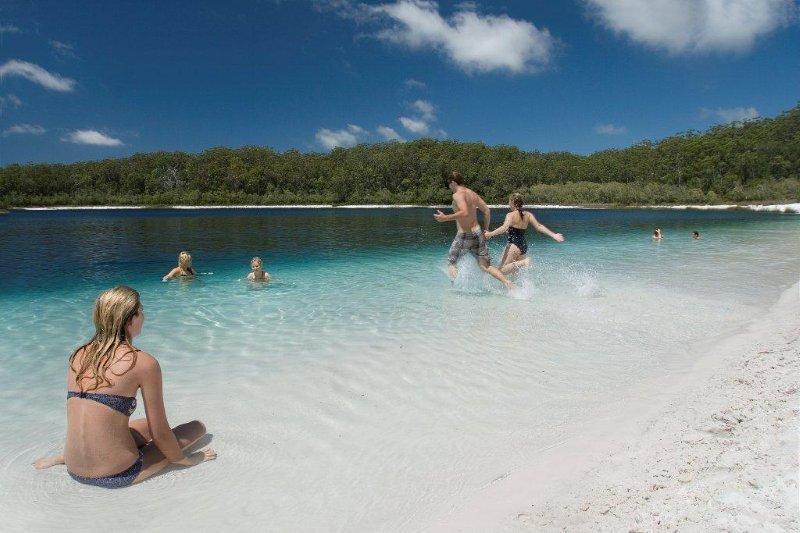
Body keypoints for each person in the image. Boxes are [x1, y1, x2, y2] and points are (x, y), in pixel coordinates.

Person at [32, 286, 216, 487]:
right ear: (130, 319)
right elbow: (160, 433)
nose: (143, 316)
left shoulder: (79, 355)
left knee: (144, 423)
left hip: (74, 467)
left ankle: (62, 457)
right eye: (140, 311)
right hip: (117, 473)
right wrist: (185, 461)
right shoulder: (143, 362)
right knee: (196, 427)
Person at [433, 171, 513, 289]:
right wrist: (486, 230)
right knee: (485, 266)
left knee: (452, 262)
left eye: (449, 183)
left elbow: (464, 212)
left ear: (453, 182)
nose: (449, 186)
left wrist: (445, 218)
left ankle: (454, 291)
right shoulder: (471, 193)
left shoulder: (457, 194)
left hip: (464, 235)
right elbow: (486, 211)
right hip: (478, 233)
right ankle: (507, 283)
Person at [484, 193, 565, 274]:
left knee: (502, 270)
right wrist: (553, 235)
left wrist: (490, 234)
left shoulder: (510, 215)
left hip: (513, 245)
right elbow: (539, 226)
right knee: (515, 273)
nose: (508, 204)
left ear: (513, 202)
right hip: (523, 246)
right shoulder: (528, 214)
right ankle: (516, 286)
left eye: (509, 202)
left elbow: (504, 228)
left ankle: (524, 262)